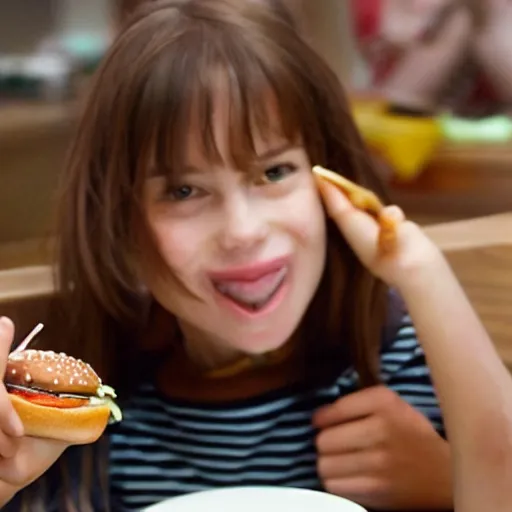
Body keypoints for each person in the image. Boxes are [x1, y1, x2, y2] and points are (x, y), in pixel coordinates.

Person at [0, 0, 509, 510]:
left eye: (273, 172)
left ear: (330, 178)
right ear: (120, 222)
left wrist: (445, 480)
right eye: (183, 192)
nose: (243, 231)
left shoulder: (408, 366)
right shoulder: (80, 419)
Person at [351, 0, 512, 118]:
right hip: (406, 97)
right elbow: (392, 34)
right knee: (462, 16)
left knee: (474, 13)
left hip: (494, 97)